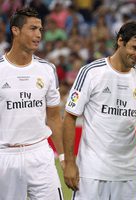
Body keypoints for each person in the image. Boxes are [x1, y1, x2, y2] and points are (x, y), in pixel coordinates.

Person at [63, 20, 136, 200]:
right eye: (135, 48)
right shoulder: (91, 72)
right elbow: (69, 117)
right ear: (120, 41)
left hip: (127, 174)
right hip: (91, 173)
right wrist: (69, 163)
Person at [0, 7, 64, 200]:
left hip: (40, 154)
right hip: (5, 156)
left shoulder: (47, 69)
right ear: (15, 30)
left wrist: (63, 157)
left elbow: (53, 116)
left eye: (40, 30)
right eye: (32, 28)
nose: (38, 35)